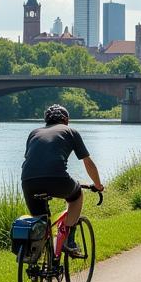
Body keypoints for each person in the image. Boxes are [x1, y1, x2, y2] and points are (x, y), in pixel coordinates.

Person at [21, 104, 104, 258]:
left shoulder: (34, 133)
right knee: (76, 195)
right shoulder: (70, 131)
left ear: (46, 120)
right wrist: (98, 185)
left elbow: (33, 160)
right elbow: (87, 162)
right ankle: (68, 241)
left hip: (28, 181)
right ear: (66, 120)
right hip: (57, 179)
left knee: (40, 221)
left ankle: (39, 262)